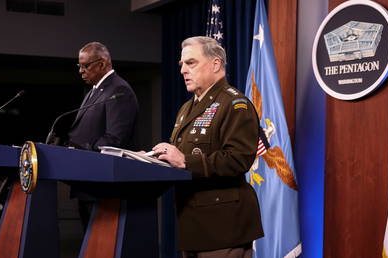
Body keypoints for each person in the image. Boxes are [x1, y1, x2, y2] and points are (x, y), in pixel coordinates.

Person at [152, 36, 263, 258]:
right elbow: (180, 156)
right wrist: (150, 158)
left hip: (223, 226)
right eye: (182, 64)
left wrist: (185, 161)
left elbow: (238, 160)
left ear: (215, 64)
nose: (183, 70)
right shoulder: (187, 107)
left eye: (191, 63)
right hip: (193, 224)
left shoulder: (234, 104)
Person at [67, 42, 139, 230]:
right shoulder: (94, 91)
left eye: (85, 65)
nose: (81, 71)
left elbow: (114, 139)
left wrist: (80, 151)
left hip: (102, 187)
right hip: (87, 183)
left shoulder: (118, 90)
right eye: (79, 66)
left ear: (102, 63)